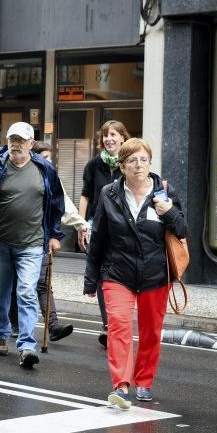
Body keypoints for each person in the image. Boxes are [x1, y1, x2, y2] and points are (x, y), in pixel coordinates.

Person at [84, 138, 186, 409]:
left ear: (150, 162)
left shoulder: (163, 192)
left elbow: (183, 230)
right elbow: (99, 238)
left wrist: (170, 212)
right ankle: (122, 386)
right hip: (117, 271)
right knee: (118, 324)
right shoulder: (109, 193)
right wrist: (91, 278)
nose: (138, 165)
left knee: (151, 331)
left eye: (143, 160)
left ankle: (144, 382)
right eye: (132, 161)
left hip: (155, 273)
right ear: (122, 165)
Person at [0, 122, 64, 369]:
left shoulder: (45, 169)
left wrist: (54, 235)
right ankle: (1, 333)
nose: (16, 144)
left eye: (21, 140)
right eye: (12, 140)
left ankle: (26, 346)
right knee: (0, 296)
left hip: (32, 244)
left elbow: (55, 205)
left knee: (27, 292)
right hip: (0, 245)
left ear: (31, 143)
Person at [8, 141, 88, 343]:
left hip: (39, 238)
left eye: (50, 158)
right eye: (45, 157)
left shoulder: (50, 176)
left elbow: (65, 206)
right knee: (16, 283)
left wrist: (81, 225)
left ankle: (52, 325)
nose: (49, 161)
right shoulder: (13, 173)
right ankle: (14, 323)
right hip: (12, 238)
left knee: (42, 282)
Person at [79, 120, 130, 348]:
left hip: (123, 228)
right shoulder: (93, 165)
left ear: (122, 138)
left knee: (120, 275)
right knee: (101, 276)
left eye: (113, 135)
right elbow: (85, 196)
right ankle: (108, 325)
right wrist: (81, 225)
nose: (108, 139)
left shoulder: (129, 163)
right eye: (105, 135)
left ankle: (119, 323)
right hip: (96, 226)